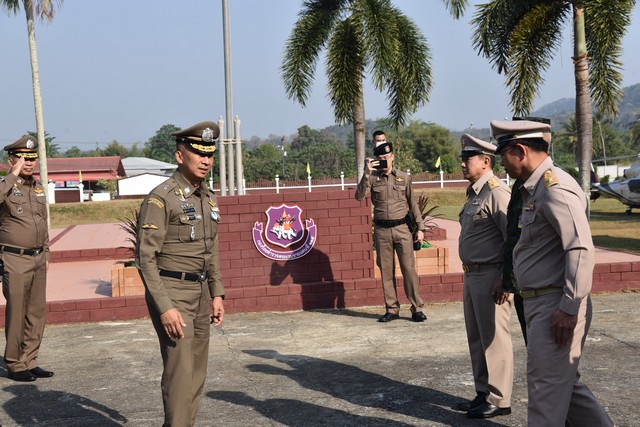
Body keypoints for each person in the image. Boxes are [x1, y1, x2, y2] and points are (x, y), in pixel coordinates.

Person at [492, 119, 614, 426]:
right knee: (566, 389)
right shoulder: (535, 188)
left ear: (519, 150)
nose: (501, 165)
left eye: (501, 155)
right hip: (543, 304)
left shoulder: (554, 187)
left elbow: (580, 249)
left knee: (545, 395)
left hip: (555, 305)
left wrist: (569, 307)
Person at [136, 121, 225, 427]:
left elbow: (210, 250)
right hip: (173, 292)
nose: (206, 160)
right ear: (179, 156)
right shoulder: (162, 198)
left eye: (210, 155)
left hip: (200, 294)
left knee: (197, 373)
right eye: (198, 154)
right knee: (179, 373)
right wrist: (166, 306)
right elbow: (145, 258)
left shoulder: (207, 197)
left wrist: (217, 294)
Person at [454, 134, 513, 419]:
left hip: (492, 277)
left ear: (486, 161)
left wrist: (507, 277)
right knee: (477, 337)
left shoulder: (497, 192)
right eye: (463, 159)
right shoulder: (475, 193)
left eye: (468, 159)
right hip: (472, 276)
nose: (463, 164)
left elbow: (513, 239)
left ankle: (500, 399)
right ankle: (483, 392)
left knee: (495, 339)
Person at [355, 130, 427, 323]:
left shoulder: (404, 178)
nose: (384, 160)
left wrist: (420, 229)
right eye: (380, 157)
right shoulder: (371, 178)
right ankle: (392, 309)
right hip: (382, 231)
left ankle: (417, 308)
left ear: (392, 156)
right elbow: (359, 196)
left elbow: (413, 205)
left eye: (386, 157)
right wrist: (366, 173)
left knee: (409, 270)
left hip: (402, 229)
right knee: (386, 270)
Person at [1, 135, 54, 382]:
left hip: (38, 257)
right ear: (11, 160)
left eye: (32, 158)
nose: (29, 163)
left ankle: (30, 360)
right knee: (17, 312)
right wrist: (13, 174)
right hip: (15, 258)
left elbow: (42, 221)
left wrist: (46, 251)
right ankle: (14, 362)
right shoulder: (6, 185)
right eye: (24, 158)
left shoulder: (37, 187)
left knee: (36, 312)